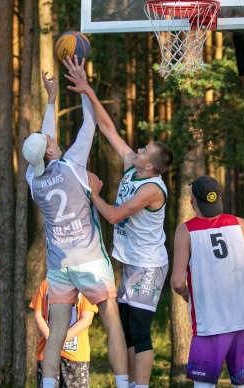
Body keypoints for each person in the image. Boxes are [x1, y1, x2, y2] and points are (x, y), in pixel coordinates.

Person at [62, 57, 174, 388]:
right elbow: (108, 128)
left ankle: (140, 386)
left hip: (149, 266)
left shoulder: (152, 189)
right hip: (132, 263)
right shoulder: (133, 166)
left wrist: (93, 193)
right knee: (125, 327)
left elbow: (112, 215)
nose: (138, 149)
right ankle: (126, 384)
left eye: (144, 151)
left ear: (151, 167)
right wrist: (87, 90)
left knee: (139, 330)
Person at [21, 57, 129, 388]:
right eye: (49, 141)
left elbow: (45, 138)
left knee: (56, 332)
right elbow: (90, 125)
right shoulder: (71, 165)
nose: (51, 138)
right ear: (50, 153)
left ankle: (49, 385)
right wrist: (84, 89)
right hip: (90, 260)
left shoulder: (32, 177)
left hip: (59, 266)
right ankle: (124, 384)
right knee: (112, 322)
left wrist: (51, 98)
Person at [171, 176, 244, 388]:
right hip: (243, 322)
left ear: (192, 200)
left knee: (204, 385)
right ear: (220, 198)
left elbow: (177, 283)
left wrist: (189, 296)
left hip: (209, 324)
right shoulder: (242, 225)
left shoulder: (185, 230)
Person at [30, 279, 98, 388]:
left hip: (76, 357)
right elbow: (38, 316)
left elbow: (86, 319)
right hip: (47, 355)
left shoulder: (84, 284)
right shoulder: (46, 283)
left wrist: (59, 339)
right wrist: (50, 337)